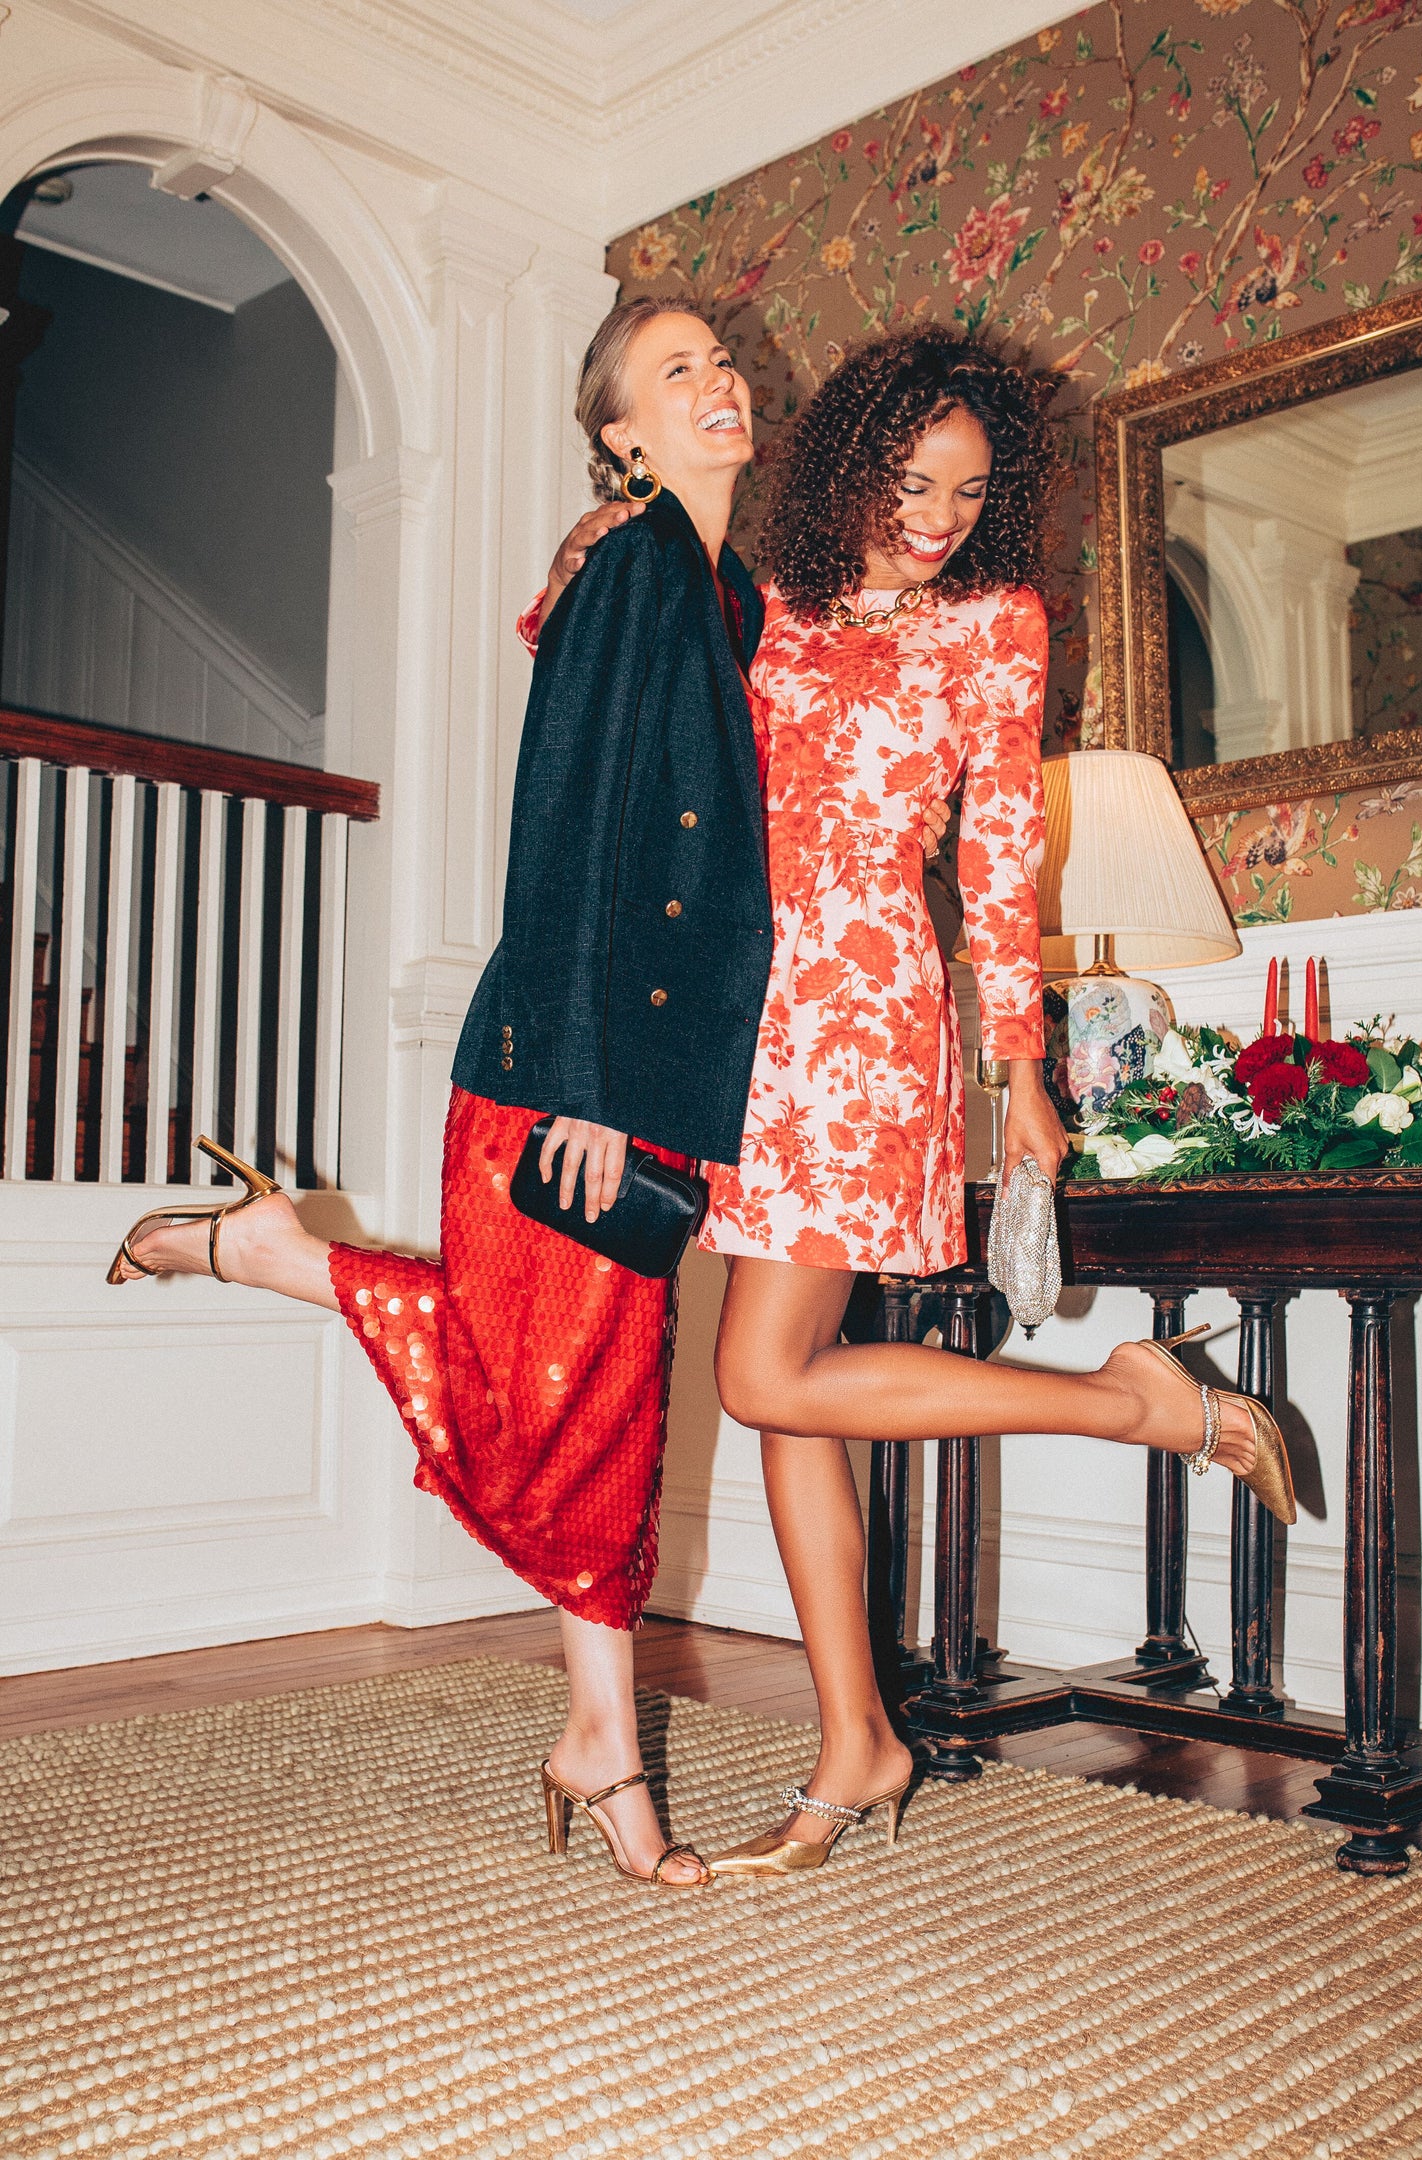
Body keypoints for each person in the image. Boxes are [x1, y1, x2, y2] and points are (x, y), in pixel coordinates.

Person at [544, 324, 1294, 1878]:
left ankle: (1139, 1404)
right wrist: (595, 546)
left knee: (765, 1374)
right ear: (850, 469)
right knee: (791, 1393)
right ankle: (858, 1744)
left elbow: (1001, 851)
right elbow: (612, 712)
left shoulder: (995, 624)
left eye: (969, 489)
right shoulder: (757, 599)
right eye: (914, 483)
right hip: (738, 1016)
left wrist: (1021, 1071)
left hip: (869, 1013)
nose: (943, 515)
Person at [105, 297, 776, 1890]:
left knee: (590, 1408)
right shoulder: (635, 569)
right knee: (549, 1402)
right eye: (675, 369)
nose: (719, 381)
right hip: (573, 1064)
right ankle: (268, 1252)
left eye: (722, 360)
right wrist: (587, 1085)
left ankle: (600, 1735)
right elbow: (563, 820)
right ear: (620, 434)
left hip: (650, 1062)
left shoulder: (718, 589)